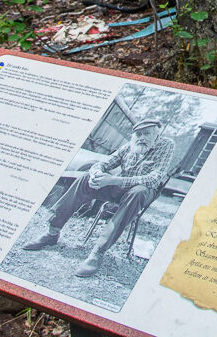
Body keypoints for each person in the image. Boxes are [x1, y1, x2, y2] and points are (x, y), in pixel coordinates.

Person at [23, 118, 175, 277]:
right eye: (138, 134)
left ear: (156, 134)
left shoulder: (166, 145)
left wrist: (114, 180)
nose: (142, 137)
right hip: (119, 188)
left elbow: (155, 178)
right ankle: (52, 232)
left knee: (137, 192)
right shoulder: (129, 146)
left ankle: (97, 253)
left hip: (141, 191)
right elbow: (105, 163)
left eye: (147, 133)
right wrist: (96, 172)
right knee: (84, 178)